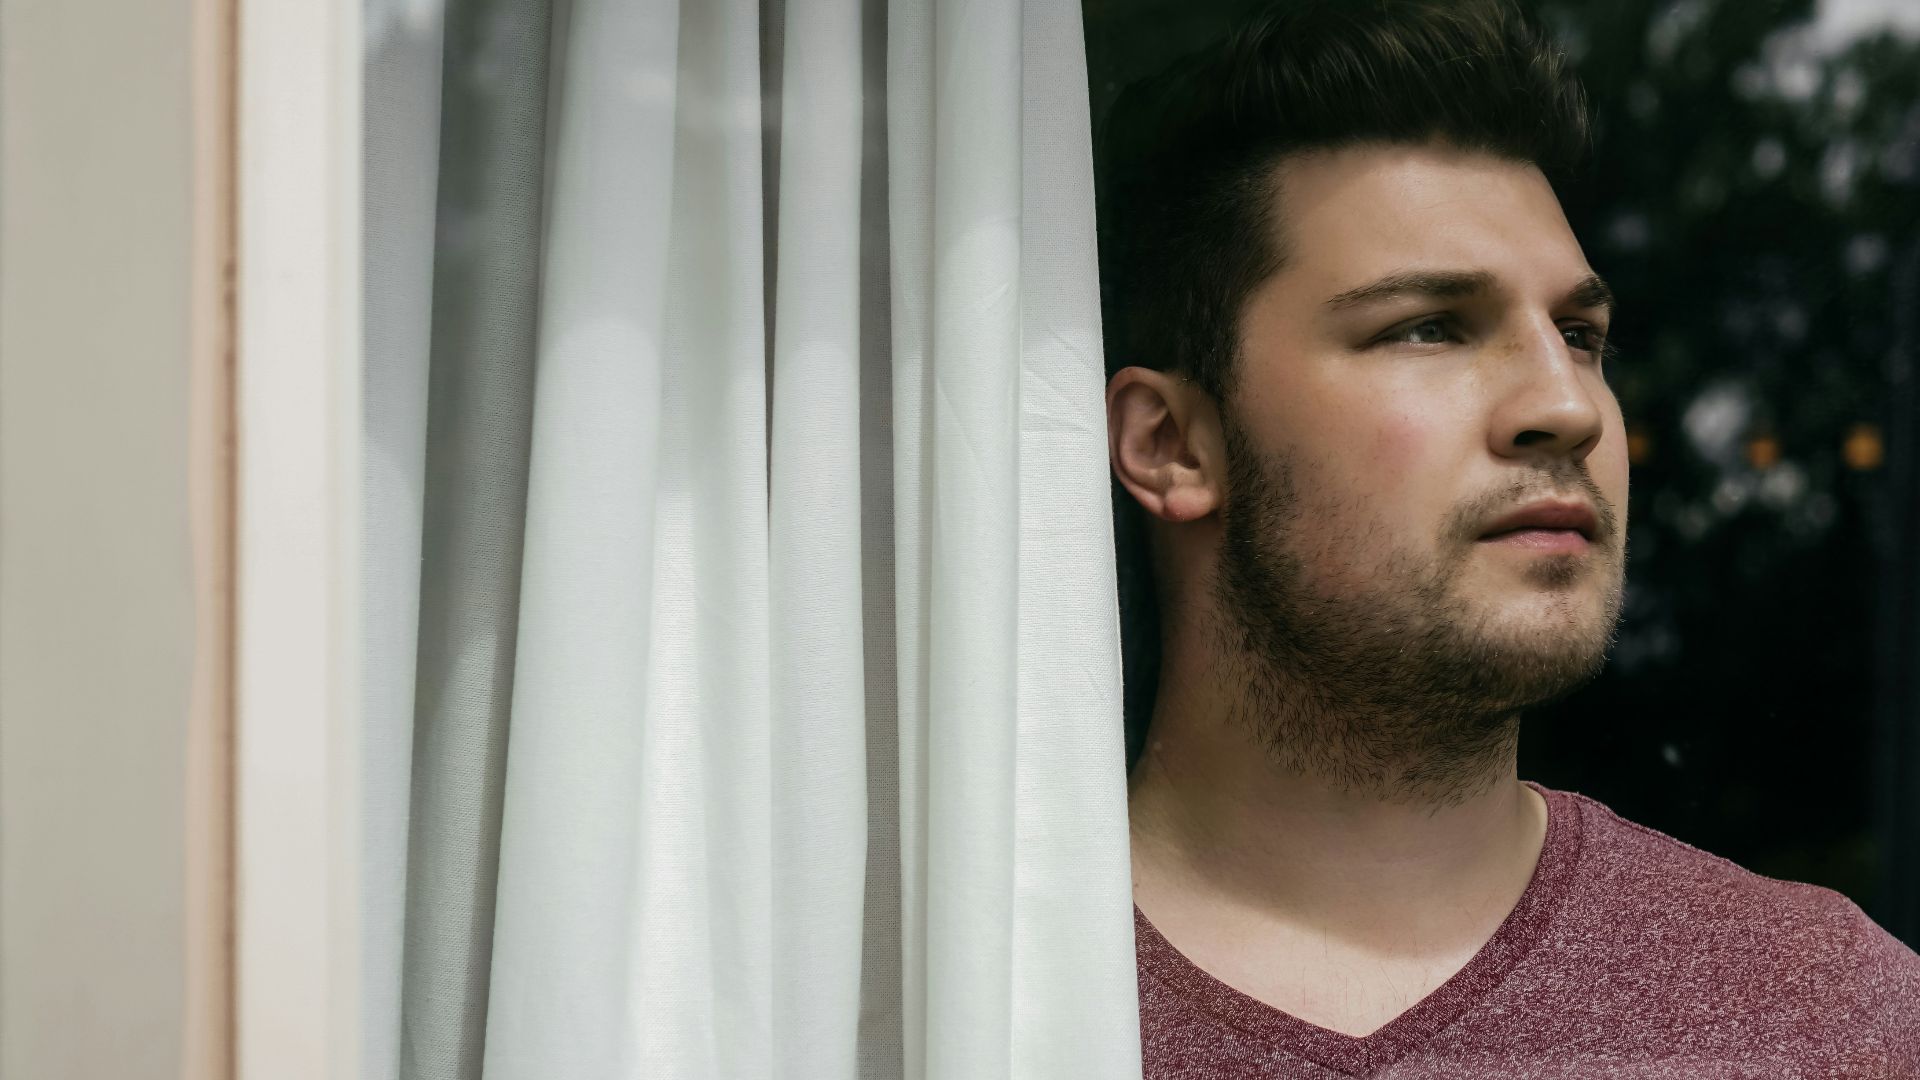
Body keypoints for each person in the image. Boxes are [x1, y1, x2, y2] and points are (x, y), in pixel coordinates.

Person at [1097, 0, 1920, 1073]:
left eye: (1581, 336)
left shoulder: (1832, 1019)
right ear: (1173, 446)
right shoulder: (924, 995)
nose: (1568, 406)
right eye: (1429, 326)